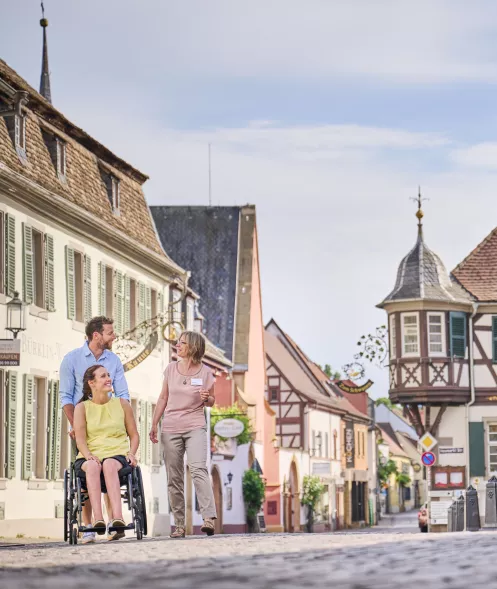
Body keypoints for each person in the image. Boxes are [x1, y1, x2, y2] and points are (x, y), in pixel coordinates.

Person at [59, 316, 130, 543]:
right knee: (88, 473)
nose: (114, 336)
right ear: (96, 335)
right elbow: (66, 397)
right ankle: (89, 526)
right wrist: (75, 425)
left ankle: (114, 523)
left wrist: (123, 421)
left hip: (109, 427)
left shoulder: (114, 361)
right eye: (110, 332)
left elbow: (123, 394)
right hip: (81, 426)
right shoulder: (72, 359)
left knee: (110, 467)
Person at [149, 330, 217, 537]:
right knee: (174, 477)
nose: (177, 345)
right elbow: (162, 398)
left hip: (195, 425)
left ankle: (208, 518)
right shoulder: (171, 369)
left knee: (198, 470)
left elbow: (212, 400)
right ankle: (179, 525)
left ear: (193, 347)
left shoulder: (206, 373)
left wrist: (207, 398)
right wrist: (154, 424)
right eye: (178, 342)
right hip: (170, 427)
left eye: (182, 343)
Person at [74, 364, 139, 539]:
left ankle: (117, 518)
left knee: (109, 464)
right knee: (93, 466)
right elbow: (80, 439)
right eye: (103, 376)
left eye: (108, 375)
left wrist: (131, 453)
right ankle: (98, 520)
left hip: (117, 454)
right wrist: (89, 456)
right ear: (92, 383)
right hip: (90, 455)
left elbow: (134, 435)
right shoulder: (81, 408)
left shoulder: (122, 404)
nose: (108, 379)